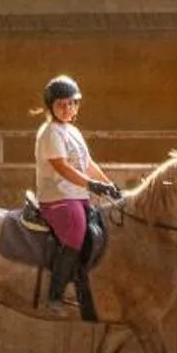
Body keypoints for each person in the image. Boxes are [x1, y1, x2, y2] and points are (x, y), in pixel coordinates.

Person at [35, 75, 121, 309]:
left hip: (77, 195)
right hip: (57, 197)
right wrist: (92, 185)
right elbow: (62, 167)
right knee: (76, 229)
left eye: (71, 103)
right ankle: (55, 293)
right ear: (51, 107)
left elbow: (88, 163)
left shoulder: (72, 131)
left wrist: (108, 184)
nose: (67, 108)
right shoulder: (51, 132)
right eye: (61, 104)